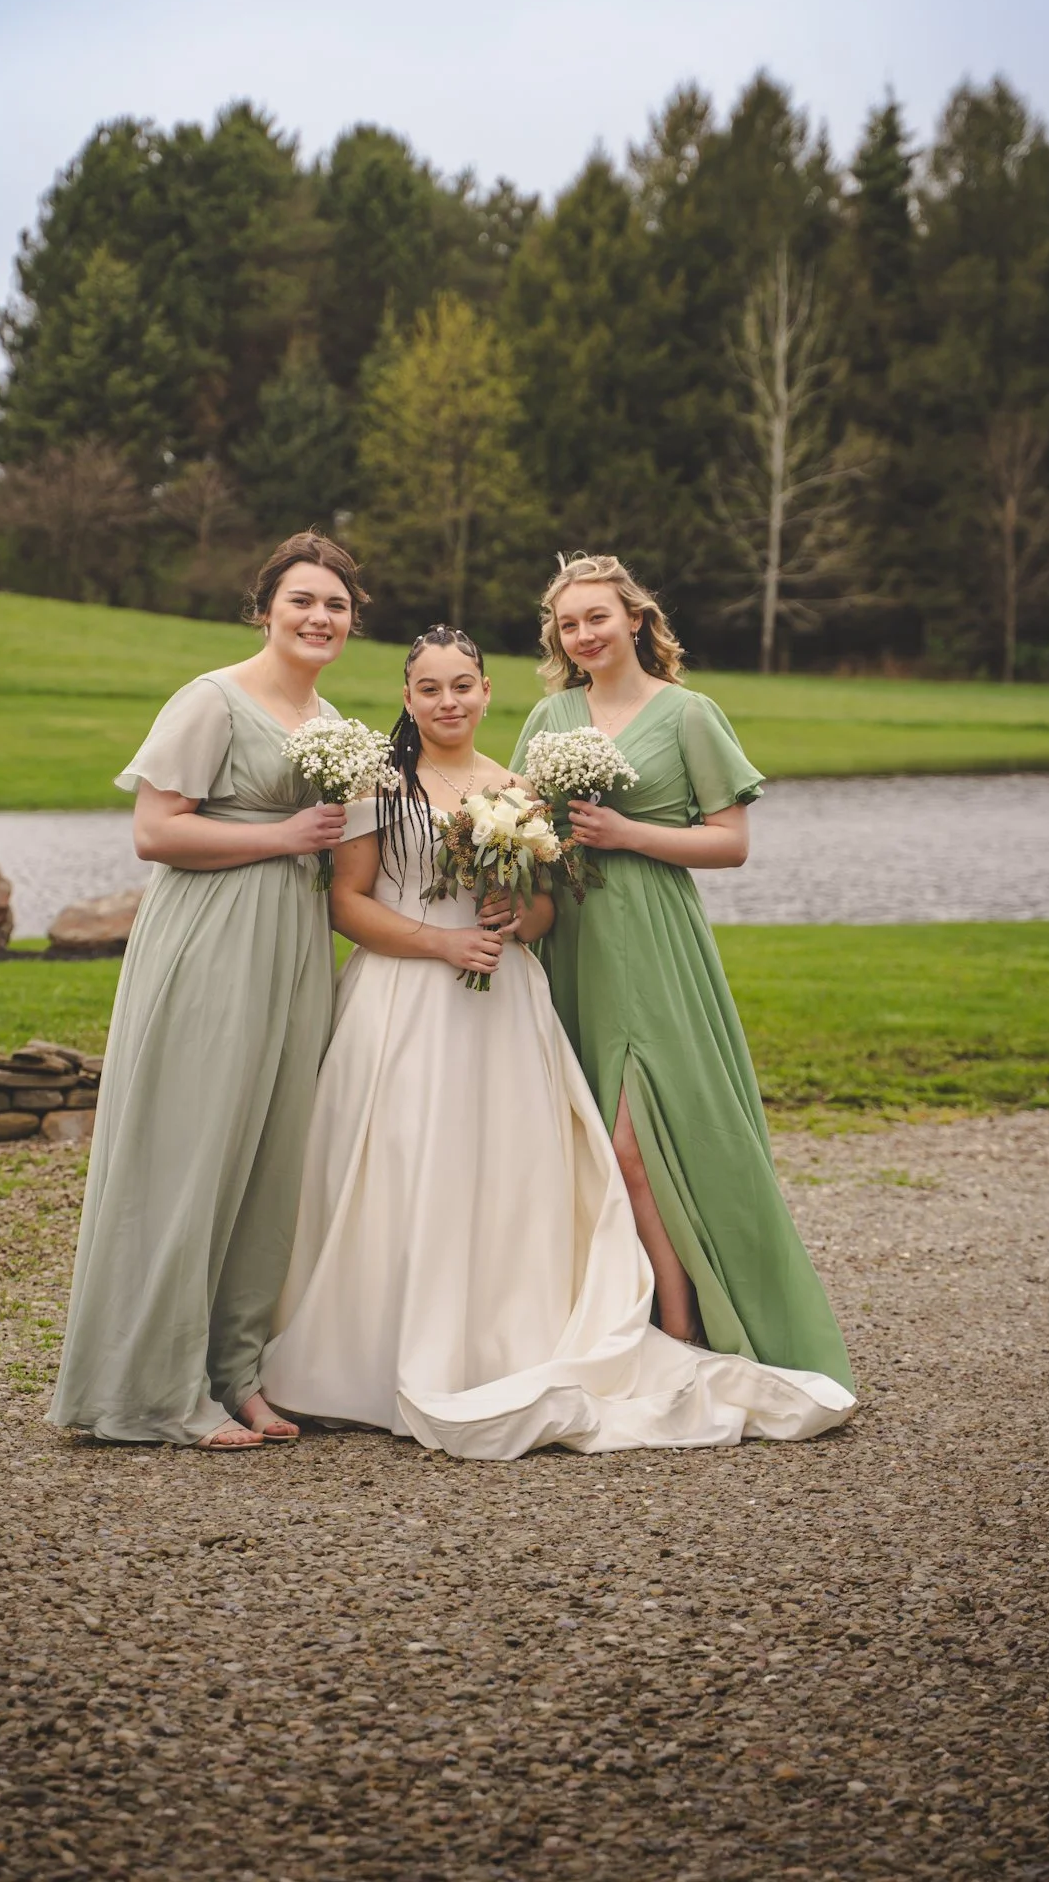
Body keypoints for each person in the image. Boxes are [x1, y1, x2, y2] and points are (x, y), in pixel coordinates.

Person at [258, 625, 854, 1457]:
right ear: (406, 697)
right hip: (400, 1000)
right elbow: (346, 905)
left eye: (462, 685)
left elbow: (543, 910)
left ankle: (505, 1335)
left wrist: (515, 919)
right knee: (397, 1159)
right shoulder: (378, 785)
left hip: (504, 999)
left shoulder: (518, 787)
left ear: (486, 693)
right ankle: (372, 1350)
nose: (447, 702)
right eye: (429, 688)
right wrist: (441, 943)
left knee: (509, 1167)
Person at [47, 531, 368, 1449]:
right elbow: (155, 831)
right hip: (212, 944)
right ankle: (155, 1390)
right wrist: (283, 836)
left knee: (273, 1163)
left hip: (296, 949)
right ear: (264, 607)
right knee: (191, 1155)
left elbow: (347, 854)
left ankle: (240, 1376)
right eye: (302, 599)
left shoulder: (334, 725)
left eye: (336, 605)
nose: (319, 617)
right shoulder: (213, 699)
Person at [512, 553, 853, 1391]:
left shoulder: (689, 714)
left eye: (598, 616)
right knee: (585, 1134)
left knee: (636, 1140)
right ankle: (608, 1309)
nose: (584, 633)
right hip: (567, 934)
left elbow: (730, 842)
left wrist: (627, 834)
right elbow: (517, 815)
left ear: (635, 618)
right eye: (568, 623)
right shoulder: (549, 716)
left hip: (652, 935)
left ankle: (682, 1320)